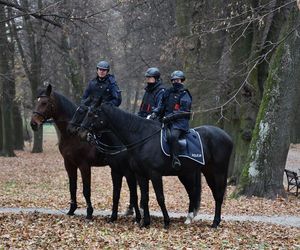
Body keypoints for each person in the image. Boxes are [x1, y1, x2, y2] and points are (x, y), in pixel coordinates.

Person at [152, 70, 192, 170]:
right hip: (166, 121)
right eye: (173, 80)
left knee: (173, 136)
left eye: (177, 80)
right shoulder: (167, 92)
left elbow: (183, 111)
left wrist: (169, 117)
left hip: (179, 123)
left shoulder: (185, 94)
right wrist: (155, 113)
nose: (175, 82)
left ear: (181, 81)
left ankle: (175, 158)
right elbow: (161, 106)